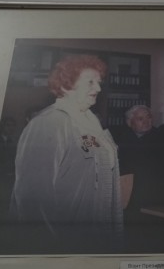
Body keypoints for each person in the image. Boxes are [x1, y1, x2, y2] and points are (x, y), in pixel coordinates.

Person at [9, 54, 123, 252]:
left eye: (99, 82)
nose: (98, 88)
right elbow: (32, 198)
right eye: (90, 82)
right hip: (65, 239)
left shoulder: (91, 121)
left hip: (97, 232)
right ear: (66, 85)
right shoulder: (49, 123)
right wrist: (50, 249)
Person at [109, 104, 156, 175]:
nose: (146, 122)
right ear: (129, 123)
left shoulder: (160, 137)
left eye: (148, 117)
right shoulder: (121, 138)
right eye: (140, 119)